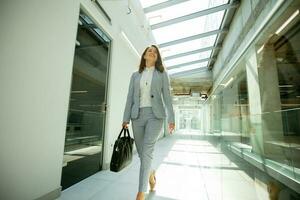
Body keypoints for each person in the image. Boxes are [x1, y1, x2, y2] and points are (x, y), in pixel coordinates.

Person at [122, 45, 175, 200]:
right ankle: (151, 173)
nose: (152, 52)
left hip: (155, 116)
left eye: (155, 52)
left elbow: (167, 97)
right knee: (142, 153)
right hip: (137, 116)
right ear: (144, 55)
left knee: (147, 151)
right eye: (149, 51)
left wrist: (171, 118)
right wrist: (125, 118)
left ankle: (141, 192)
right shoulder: (135, 76)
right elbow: (129, 98)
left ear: (157, 58)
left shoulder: (162, 74)